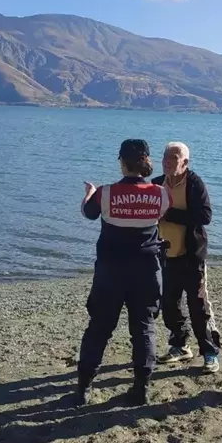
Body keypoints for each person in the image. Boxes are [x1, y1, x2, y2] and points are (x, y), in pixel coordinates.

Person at [76, 139, 172, 406]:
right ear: (147, 162)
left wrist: (90, 192)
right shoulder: (162, 194)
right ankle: (141, 388)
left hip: (110, 271)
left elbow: (88, 213)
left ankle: (84, 388)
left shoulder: (105, 193)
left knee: (99, 328)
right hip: (147, 270)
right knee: (143, 329)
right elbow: (161, 214)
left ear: (122, 162)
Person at [151, 141, 222, 373]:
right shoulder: (156, 185)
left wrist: (169, 214)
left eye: (173, 156)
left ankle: (210, 352)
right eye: (165, 156)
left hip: (192, 255)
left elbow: (205, 215)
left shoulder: (194, 183)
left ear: (185, 162)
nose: (167, 160)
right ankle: (180, 346)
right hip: (166, 255)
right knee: (170, 304)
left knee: (198, 306)